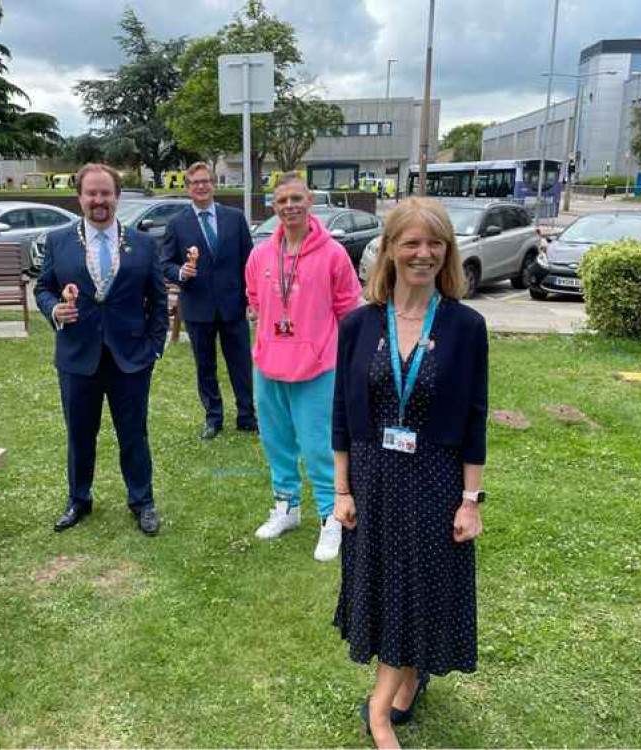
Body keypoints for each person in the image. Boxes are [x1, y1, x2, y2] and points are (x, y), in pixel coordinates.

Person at [331, 197, 488, 749]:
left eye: (434, 243)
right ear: (390, 251)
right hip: (373, 481)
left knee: (418, 586)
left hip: (434, 480)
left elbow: (473, 419)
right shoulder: (358, 324)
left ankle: (378, 711)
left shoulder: (467, 327)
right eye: (411, 243)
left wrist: (471, 500)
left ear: (446, 252)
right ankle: (409, 678)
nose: (423, 254)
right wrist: (342, 491)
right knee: (384, 586)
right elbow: (341, 416)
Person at [35, 163, 168, 536]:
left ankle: (142, 501)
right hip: (78, 357)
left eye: (105, 193)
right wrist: (54, 310)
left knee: (134, 433)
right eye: (91, 193)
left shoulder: (142, 243)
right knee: (79, 433)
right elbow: (43, 287)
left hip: (130, 359)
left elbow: (158, 301)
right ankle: (79, 499)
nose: (99, 200)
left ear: (117, 197)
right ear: (80, 197)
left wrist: (154, 347)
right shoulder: (58, 240)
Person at [244, 172, 362, 562]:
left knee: (318, 446)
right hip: (269, 365)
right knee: (275, 443)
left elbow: (349, 311)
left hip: (318, 368)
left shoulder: (332, 253)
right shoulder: (261, 254)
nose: (290, 206)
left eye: (297, 198)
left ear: (309, 201)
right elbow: (255, 300)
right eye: (283, 201)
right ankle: (287, 507)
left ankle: (331, 516)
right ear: (273, 206)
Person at [161, 161, 257, 440]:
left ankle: (246, 415)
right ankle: (213, 418)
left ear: (213, 184)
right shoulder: (177, 224)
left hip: (233, 306)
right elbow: (164, 263)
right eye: (195, 183)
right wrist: (180, 271)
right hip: (197, 307)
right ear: (188, 188)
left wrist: (252, 298)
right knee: (206, 366)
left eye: (205, 181)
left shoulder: (235, 218)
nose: (201, 186)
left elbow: (249, 261)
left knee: (240, 364)